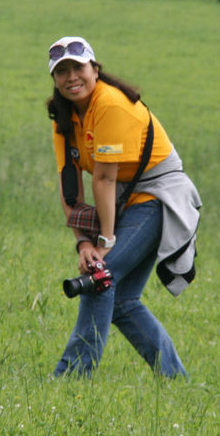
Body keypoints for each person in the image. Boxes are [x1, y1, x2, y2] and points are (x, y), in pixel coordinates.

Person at [45, 36, 202, 378]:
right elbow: (69, 186)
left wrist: (103, 244)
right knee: (122, 300)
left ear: (95, 69)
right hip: (123, 200)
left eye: (78, 67)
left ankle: (71, 378)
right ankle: (177, 381)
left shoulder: (110, 105)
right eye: (62, 71)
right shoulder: (63, 115)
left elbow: (102, 179)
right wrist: (83, 242)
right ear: (54, 79)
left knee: (100, 277)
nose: (71, 77)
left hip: (159, 196)